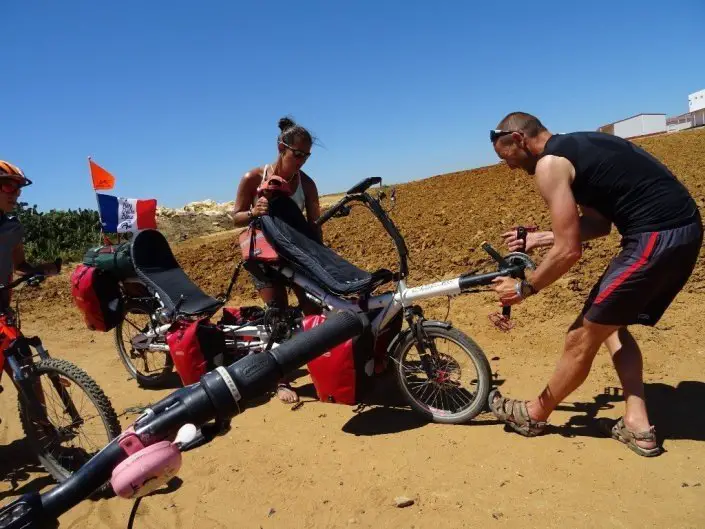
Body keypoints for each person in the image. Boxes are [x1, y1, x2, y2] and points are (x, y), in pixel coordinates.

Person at [487, 112, 703, 457]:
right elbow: (600, 225)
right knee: (609, 326)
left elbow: (569, 250)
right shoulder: (579, 146)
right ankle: (637, 423)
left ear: (518, 140)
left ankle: (533, 414)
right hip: (682, 231)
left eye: (505, 157)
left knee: (581, 336)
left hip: (655, 238)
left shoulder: (549, 165)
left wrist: (525, 288)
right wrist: (539, 238)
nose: (508, 167)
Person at [232, 117, 322, 403]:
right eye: (297, 154)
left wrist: (322, 261)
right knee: (278, 313)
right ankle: (282, 379)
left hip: (295, 255)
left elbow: (315, 225)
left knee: (312, 308)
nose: (302, 161)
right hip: (264, 256)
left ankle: (322, 364)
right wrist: (254, 212)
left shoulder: (307, 185)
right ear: (281, 147)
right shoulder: (253, 178)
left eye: (307, 155)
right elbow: (236, 217)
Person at [0, 160, 60, 308]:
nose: (15, 195)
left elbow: (19, 266)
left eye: (18, 190)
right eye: (9, 187)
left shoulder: (12, 228)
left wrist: (39, 270)